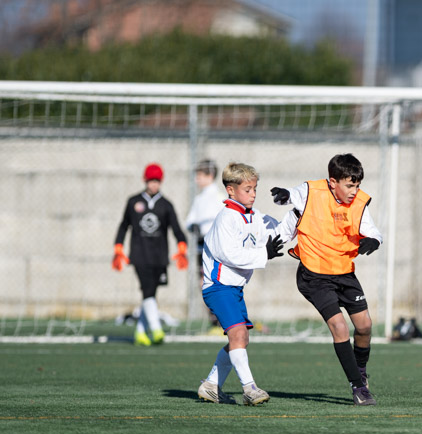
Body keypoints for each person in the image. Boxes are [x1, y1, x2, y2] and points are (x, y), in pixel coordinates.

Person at [270, 153, 381, 406]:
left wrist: (373, 240)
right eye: (349, 185)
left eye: (357, 185)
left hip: (344, 272)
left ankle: (360, 370)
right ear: (333, 182)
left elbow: (373, 231)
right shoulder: (313, 192)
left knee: (365, 326)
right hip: (315, 275)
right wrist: (285, 195)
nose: (354, 191)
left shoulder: (359, 203)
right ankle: (358, 388)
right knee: (339, 327)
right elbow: (294, 194)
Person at [196, 162, 297, 406]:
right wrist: (264, 254)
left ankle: (210, 385)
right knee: (239, 335)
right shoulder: (226, 218)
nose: (253, 194)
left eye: (254, 189)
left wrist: (298, 211)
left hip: (234, 288)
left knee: (240, 339)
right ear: (231, 190)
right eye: (247, 189)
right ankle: (250, 389)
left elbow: (280, 233)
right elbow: (230, 255)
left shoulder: (254, 217)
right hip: (218, 287)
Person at [113, 163, 188, 346]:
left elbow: (176, 228)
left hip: (159, 257)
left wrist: (182, 246)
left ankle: (140, 332)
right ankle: (156, 329)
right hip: (139, 255)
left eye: (157, 181)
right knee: (147, 290)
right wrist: (118, 247)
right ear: (144, 180)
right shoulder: (133, 202)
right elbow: (124, 225)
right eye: (151, 180)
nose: (153, 184)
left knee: (151, 293)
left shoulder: (166, 205)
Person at [185, 159, 225, 326]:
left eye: (200, 175)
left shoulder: (219, 197)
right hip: (201, 247)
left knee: (217, 282)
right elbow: (190, 220)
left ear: (210, 175)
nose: (197, 179)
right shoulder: (199, 198)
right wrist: (193, 226)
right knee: (203, 283)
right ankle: (214, 319)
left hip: (215, 247)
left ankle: (222, 320)